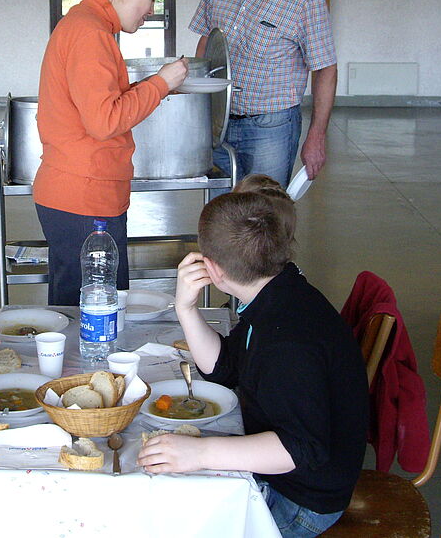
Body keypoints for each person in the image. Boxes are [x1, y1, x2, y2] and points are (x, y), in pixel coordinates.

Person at [137, 176, 367, 538]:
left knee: (162, 519)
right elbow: (225, 369)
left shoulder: (287, 343)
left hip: (301, 502)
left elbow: (300, 449)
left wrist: (201, 453)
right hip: (286, 472)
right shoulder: (275, 291)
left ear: (212, 270)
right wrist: (185, 309)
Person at [34, 0, 189, 305]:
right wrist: (160, 84)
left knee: (83, 309)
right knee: (94, 313)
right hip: (83, 196)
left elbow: (101, 105)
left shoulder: (87, 24)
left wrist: (152, 87)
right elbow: (104, 121)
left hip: (83, 192)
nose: (151, 11)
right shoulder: (90, 33)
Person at [190, 0, 338, 189]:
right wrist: (199, 110)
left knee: (264, 209)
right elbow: (206, 41)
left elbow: (325, 69)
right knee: (222, 207)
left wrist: (317, 136)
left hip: (272, 128)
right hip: (219, 121)